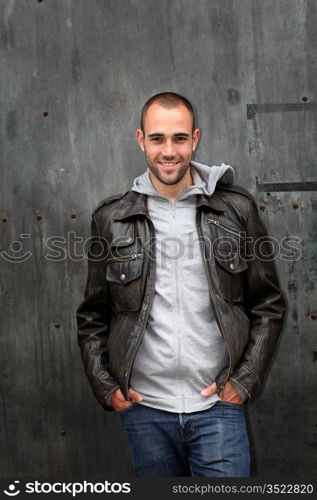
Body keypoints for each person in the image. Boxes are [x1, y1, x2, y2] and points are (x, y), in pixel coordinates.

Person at [76, 92, 286, 477]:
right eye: (157, 139)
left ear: (195, 138)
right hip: (146, 412)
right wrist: (106, 386)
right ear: (141, 140)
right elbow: (92, 315)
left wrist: (244, 380)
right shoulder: (111, 218)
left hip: (218, 407)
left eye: (179, 138)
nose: (168, 151)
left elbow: (268, 304)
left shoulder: (236, 210)